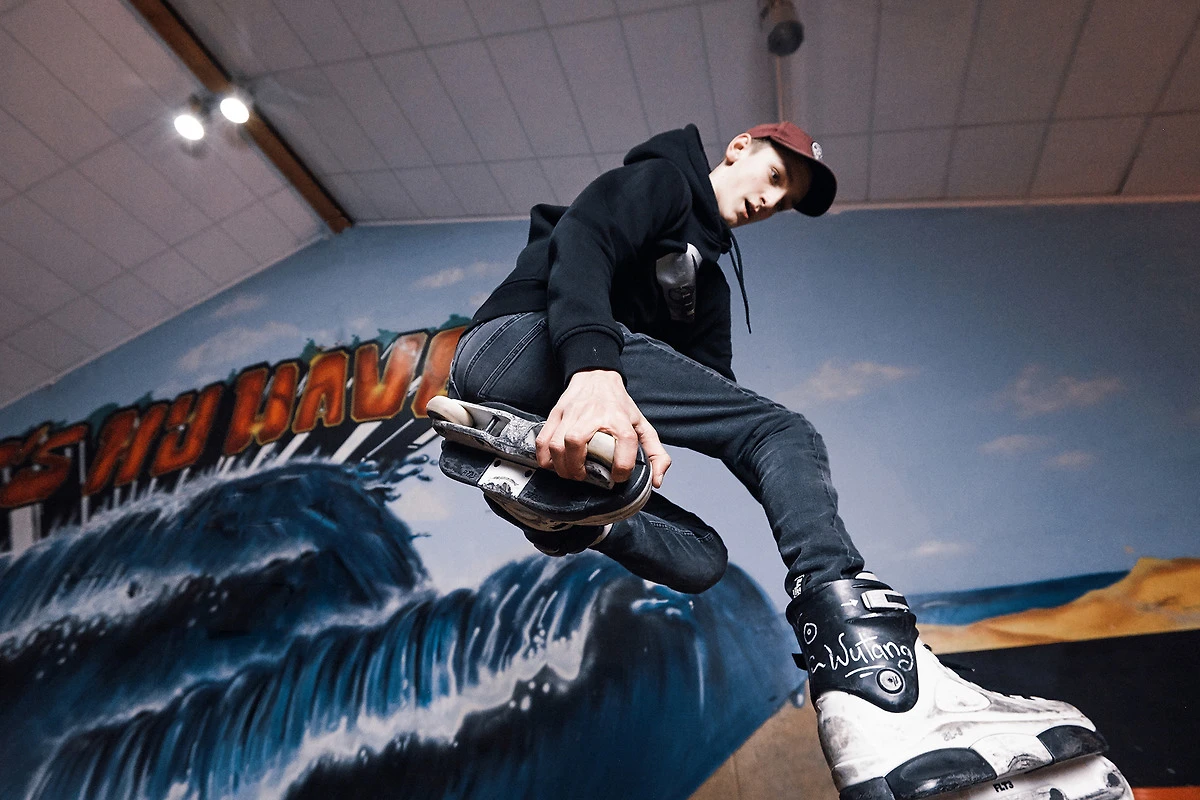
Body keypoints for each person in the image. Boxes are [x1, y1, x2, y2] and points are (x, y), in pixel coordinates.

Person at [446, 122, 1108, 800]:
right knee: (787, 432)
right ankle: (861, 651)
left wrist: (690, 459)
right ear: (738, 148)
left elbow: (717, 405)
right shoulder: (665, 181)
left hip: (536, 408)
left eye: (785, 200)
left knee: (700, 560)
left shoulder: (709, 292)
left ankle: (559, 506)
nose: (771, 200)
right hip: (523, 344)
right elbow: (584, 236)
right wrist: (593, 370)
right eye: (774, 177)